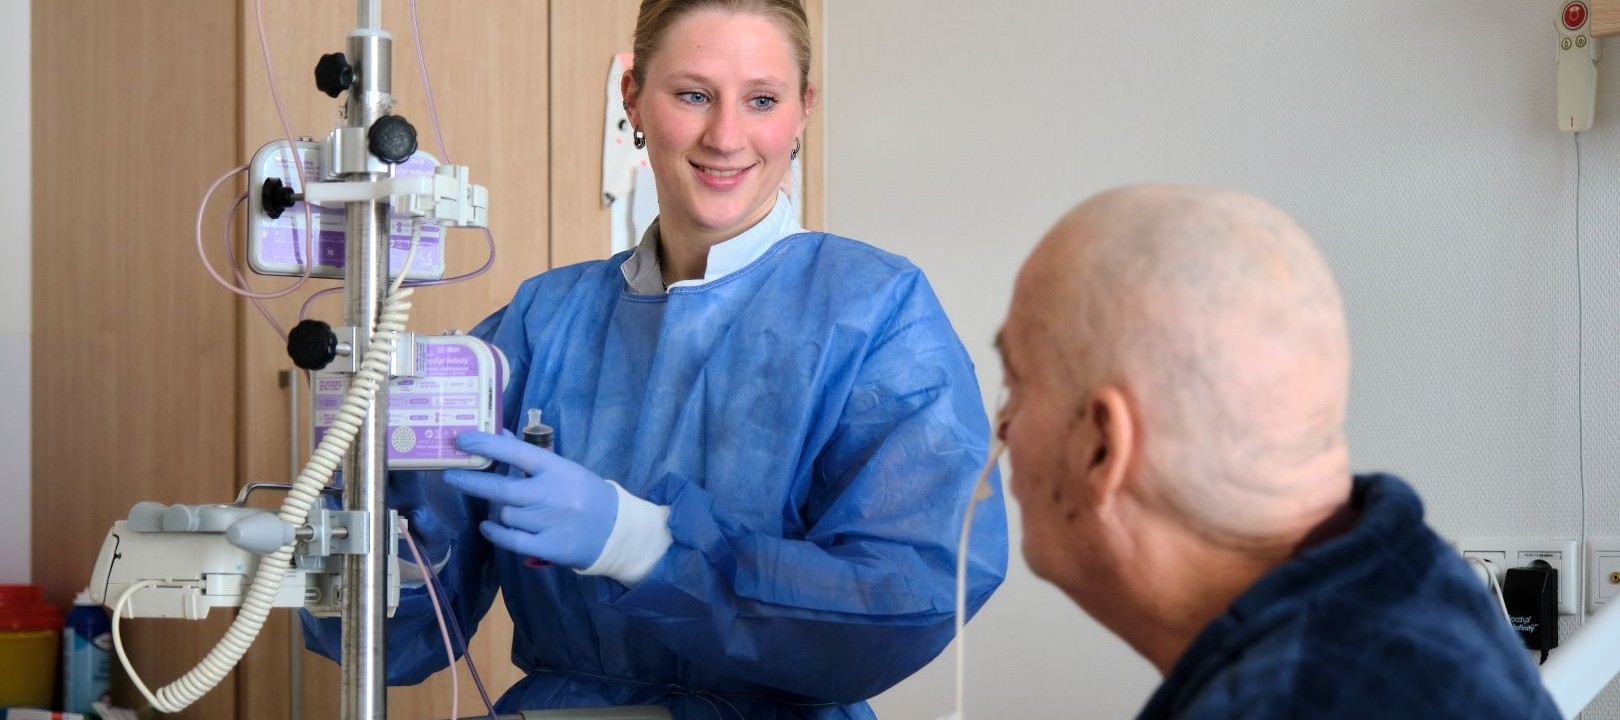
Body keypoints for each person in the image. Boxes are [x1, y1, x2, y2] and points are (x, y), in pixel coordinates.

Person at [304, 2, 1008, 718]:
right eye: (693, 95)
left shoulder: (875, 310)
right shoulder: (542, 321)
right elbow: (395, 634)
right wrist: (367, 505)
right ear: (633, 98)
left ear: (804, 109)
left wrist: (640, 544)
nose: (725, 137)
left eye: (762, 100)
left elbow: (911, 593)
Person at [993, 184, 1559, 719]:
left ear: (1101, 447)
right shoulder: (1417, 584)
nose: (1002, 427)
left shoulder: (1284, 702)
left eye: (1016, 382)